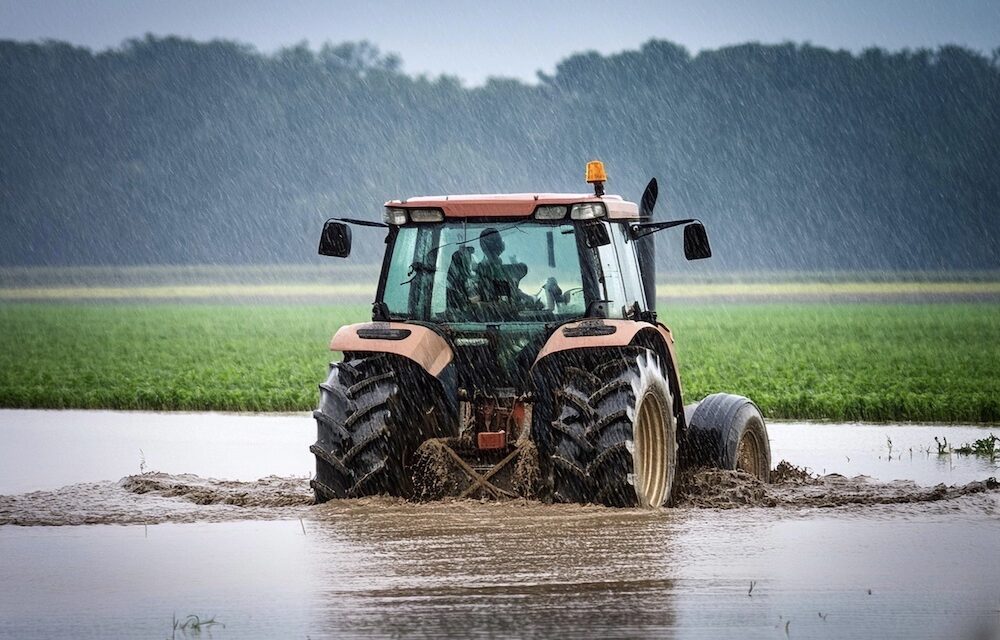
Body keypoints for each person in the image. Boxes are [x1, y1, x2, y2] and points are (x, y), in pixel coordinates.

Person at [472, 228, 538, 311]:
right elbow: (510, 290)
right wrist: (530, 298)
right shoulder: (519, 268)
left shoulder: (476, 271)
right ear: (501, 246)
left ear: (482, 247)